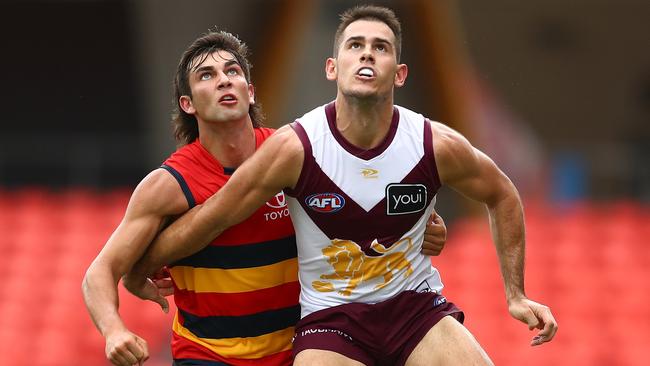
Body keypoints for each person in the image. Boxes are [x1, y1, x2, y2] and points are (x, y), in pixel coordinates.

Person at [124, 5, 558, 365]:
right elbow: (213, 216)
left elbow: (502, 193)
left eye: (380, 48)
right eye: (355, 45)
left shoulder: (434, 144)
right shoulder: (295, 147)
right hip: (332, 321)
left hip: (415, 310)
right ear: (333, 67)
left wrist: (516, 294)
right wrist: (142, 265)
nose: (367, 55)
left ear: (400, 73)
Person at [82, 30, 449, 366]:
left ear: (250, 90)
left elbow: (363, 204)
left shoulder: (296, 155)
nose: (224, 79)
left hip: (297, 351)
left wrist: (423, 227)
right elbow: (99, 272)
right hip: (207, 354)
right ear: (188, 103)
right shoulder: (169, 183)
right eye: (206, 76)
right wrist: (114, 330)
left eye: (232, 71)